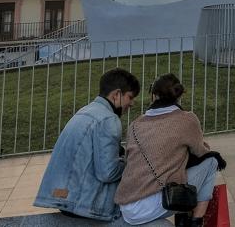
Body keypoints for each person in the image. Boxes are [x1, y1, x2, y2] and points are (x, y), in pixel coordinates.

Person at [116, 74, 223, 227]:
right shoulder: (187, 119)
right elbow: (201, 152)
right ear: (178, 95)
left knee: (177, 168)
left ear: (154, 95)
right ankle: (195, 222)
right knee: (212, 161)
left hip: (127, 206)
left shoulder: (135, 124)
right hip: (155, 203)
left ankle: (185, 221)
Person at [34, 69, 141, 221]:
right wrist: (130, 163)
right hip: (83, 204)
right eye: (130, 97)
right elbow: (108, 173)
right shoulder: (109, 120)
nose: (131, 103)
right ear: (116, 94)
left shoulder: (85, 111)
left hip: (62, 198)